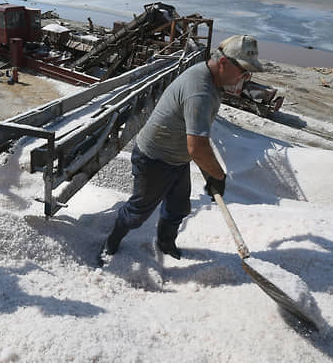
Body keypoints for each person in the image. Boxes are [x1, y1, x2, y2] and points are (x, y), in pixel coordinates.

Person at [97, 34, 264, 265]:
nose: (246, 77)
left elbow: (196, 142)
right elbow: (197, 147)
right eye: (243, 71)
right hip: (154, 157)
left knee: (178, 206)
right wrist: (218, 175)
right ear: (224, 63)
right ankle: (110, 244)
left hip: (177, 156)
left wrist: (210, 172)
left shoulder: (213, 79)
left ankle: (165, 244)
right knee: (137, 212)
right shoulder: (201, 90)